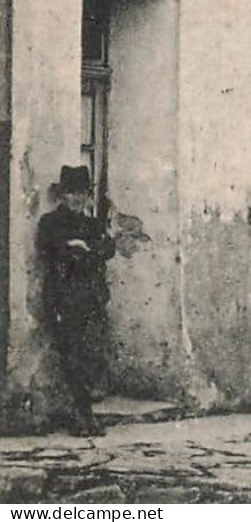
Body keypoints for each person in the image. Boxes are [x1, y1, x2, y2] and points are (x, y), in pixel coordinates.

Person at [36, 165, 115, 435]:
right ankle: (83, 416)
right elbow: (52, 249)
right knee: (71, 356)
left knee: (92, 356)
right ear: (62, 195)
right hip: (63, 299)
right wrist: (75, 250)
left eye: (82, 193)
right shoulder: (50, 223)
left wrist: (85, 249)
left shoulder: (91, 224)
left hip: (90, 300)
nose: (77, 199)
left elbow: (107, 249)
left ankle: (85, 413)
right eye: (71, 193)